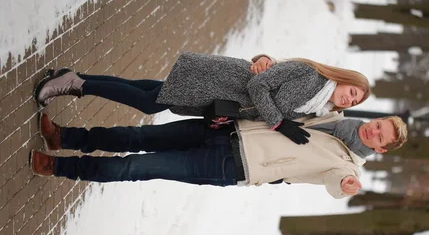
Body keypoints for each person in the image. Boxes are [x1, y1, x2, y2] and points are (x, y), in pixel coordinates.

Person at [29, 111, 407, 198]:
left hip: (229, 164)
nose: (373, 130)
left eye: (380, 136)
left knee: (136, 166)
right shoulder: (333, 115)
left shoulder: (345, 164)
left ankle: (59, 166)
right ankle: (65, 137)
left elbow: (334, 183)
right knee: (138, 135)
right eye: (379, 124)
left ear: (379, 149)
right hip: (226, 129)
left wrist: (345, 184)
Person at [34, 53, 371, 145]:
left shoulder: (317, 107)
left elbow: (269, 74)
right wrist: (279, 122)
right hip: (219, 80)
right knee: (149, 102)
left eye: (355, 102)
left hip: (220, 98)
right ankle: (75, 83)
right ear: (344, 80)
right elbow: (259, 87)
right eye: (353, 91)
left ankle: (73, 78)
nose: (350, 98)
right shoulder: (313, 76)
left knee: (148, 90)